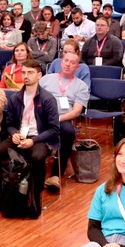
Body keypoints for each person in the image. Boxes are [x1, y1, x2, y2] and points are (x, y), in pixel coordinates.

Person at [0, 60, 60, 211]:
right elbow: (9, 124)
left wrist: (33, 140)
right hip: (19, 136)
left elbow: (54, 129)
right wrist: (14, 133)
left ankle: (35, 197)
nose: (26, 76)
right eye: (23, 72)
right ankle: (3, 192)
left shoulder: (48, 99)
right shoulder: (15, 97)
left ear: (39, 75)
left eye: (30, 72)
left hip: (40, 138)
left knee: (37, 157)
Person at [39, 51, 90, 191]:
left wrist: (57, 119)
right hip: (42, 117)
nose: (68, 64)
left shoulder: (81, 86)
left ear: (77, 67)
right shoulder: (46, 79)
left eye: (72, 63)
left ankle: (56, 174)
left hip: (63, 118)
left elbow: (76, 111)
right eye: (66, 61)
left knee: (69, 132)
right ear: (61, 63)